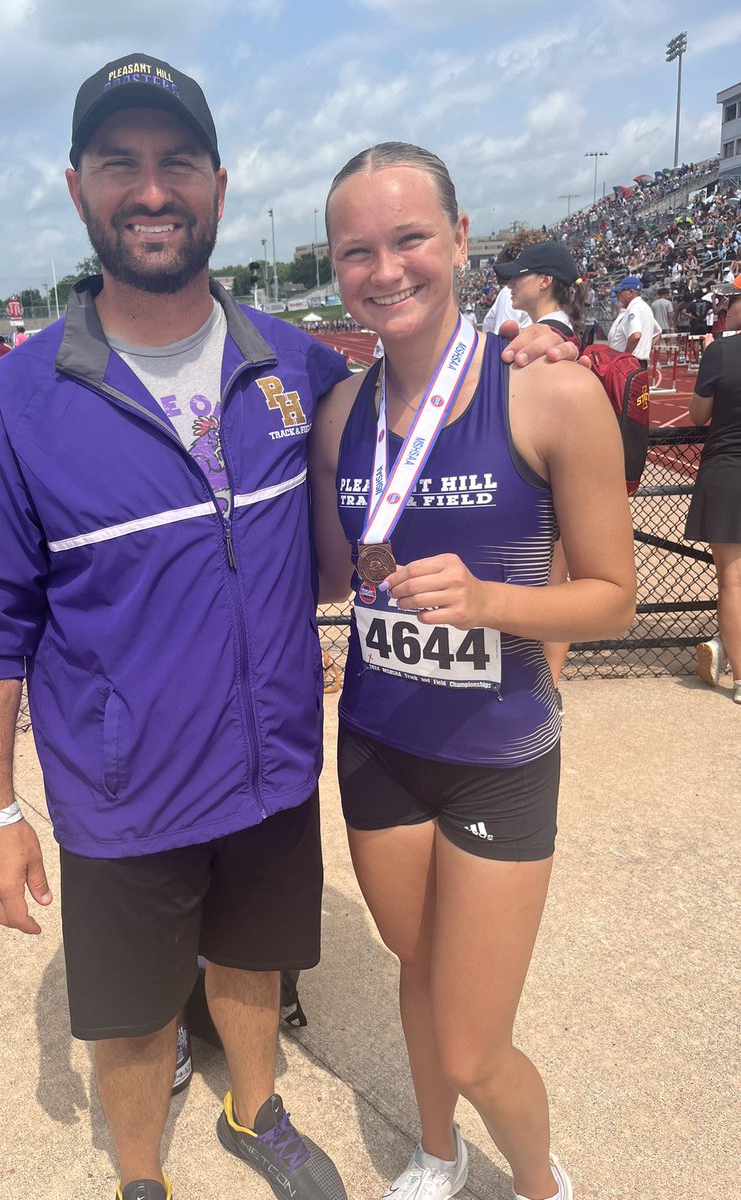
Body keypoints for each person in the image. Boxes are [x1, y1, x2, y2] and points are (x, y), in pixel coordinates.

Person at [0, 57, 572, 1200]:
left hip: (274, 765)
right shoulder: (19, 398)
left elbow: (426, 378)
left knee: (249, 961)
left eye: (176, 161)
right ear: (77, 187)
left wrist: (530, 343)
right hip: (123, 788)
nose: (151, 189)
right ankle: (142, 1176)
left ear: (219, 186)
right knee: (132, 1022)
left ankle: (255, 1106)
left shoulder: (301, 365)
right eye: (119, 164)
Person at [309, 142, 636, 1200]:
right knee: (417, 968)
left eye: (409, 238)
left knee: (472, 1047)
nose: (385, 269)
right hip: (378, 747)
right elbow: (331, 571)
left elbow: (615, 597)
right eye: (358, 250)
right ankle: (438, 1152)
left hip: (497, 753)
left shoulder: (550, 393)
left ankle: (542, 1183)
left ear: (460, 241)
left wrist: (491, 602)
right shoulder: (339, 419)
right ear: (336, 264)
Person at [493, 241, 586, 693]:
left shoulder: (550, 343)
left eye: (520, 274)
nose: (511, 281)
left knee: (552, 588)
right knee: (553, 583)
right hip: (550, 477)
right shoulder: (554, 333)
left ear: (546, 281)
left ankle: (546, 688)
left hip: (545, 480)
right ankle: (547, 685)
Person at [685, 276, 741, 705]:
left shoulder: (721, 351)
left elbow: (699, 413)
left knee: (732, 580)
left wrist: (711, 357)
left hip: (728, 471)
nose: (724, 309)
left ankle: (739, 676)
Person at [607, 276, 659, 368]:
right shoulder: (644, 308)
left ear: (630, 292)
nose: (619, 296)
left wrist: (625, 356)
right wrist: (644, 347)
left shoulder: (634, 309)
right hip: (637, 362)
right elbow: (658, 332)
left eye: (620, 292)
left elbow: (636, 336)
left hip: (629, 363)